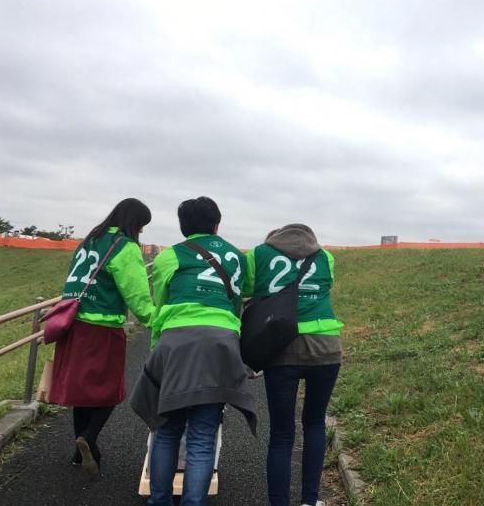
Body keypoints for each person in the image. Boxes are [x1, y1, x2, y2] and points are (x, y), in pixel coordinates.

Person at [131, 196, 256, 506]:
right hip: (222, 344)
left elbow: (161, 305)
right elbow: (242, 298)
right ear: (217, 224)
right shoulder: (238, 258)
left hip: (176, 344)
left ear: (183, 227)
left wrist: (155, 353)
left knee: (167, 429)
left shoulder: (170, 256)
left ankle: (159, 501)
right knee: (202, 437)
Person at [49, 198, 153, 476]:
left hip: (72, 324)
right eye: (141, 227)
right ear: (134, 223)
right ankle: (89, 438)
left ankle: (77, 452)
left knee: (82, 392)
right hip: (102, 327)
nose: (140, 233)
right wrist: (156, 321)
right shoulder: (125, 247)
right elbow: (137, 294)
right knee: (109, 391)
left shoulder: (90, 240)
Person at [243, 224, 342, 506]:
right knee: (314, 423)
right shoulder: (325, 256)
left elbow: (248, 288)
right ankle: (310, 501)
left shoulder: (259, 254)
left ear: (273, 238)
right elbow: (327, 285)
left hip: (281, 346)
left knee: (282, 433)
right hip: (326, 346)